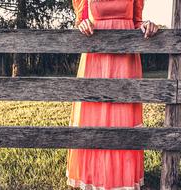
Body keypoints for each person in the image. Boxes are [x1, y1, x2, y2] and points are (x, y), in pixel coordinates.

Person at [67, 0, 159, 189]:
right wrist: (83, 24)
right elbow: (81, 21)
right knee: (93, 116)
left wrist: (147, 25)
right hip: (95, 57)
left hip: (124, 59)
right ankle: (93, 176)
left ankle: (121, 178)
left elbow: (136, 22)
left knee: (121, 116)